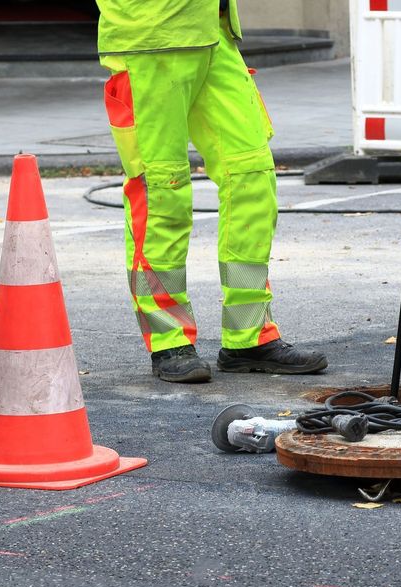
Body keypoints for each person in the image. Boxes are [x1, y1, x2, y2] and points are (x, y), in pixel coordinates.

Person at [95, 0, 327, 382]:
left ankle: (248, 335)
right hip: (149, 39)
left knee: (251, 174)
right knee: (161, 189)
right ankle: (168, 338)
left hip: (213, 33)